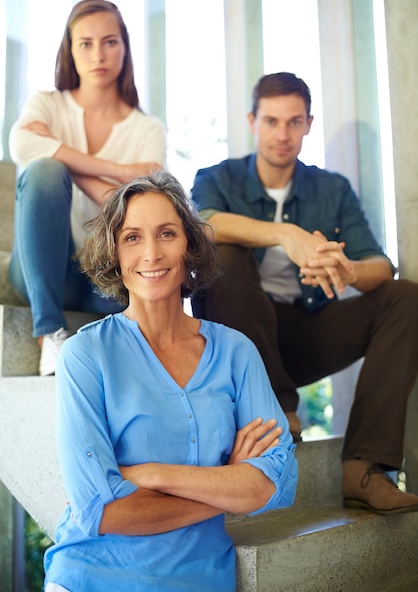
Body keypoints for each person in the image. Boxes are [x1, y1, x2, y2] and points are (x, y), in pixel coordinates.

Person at [42, 171, 297, 592]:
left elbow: (272, 484)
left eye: (167, 233)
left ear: (190, 247)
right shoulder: (84, 356)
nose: (151, 254)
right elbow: (103, 512)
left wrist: (150, 474)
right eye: (132, 238)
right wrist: (225, 482)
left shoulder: (236, 352)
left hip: (200, 580)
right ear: (114, 255)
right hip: (88, 577)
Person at [191, 71, 418, 516]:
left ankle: (364, 469)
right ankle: (279, 407)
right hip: (237, 340)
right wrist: (284, 235)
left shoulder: (330, 189)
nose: (283, 134)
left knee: (406, 297)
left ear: (308, 124)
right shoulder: (217, 177)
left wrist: (348, 269)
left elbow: (381, 265)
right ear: (252, 121)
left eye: (294, 122)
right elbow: (202, 224)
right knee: (228, 257)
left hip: (301, 333)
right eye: (272, 121)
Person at [8, 0, 166, 376]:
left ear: (125, 48)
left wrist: (70, 163)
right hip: (40, 271)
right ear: (70, 50)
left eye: (110, 42)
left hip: (107, 279)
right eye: (86, 43)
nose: (99, 54)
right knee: (45, 171)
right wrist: (116, 170)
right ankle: (49, 333)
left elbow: (143, 210)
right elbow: (22, 145)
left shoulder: (148, 131)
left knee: (56, 163)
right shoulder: (47, 105)